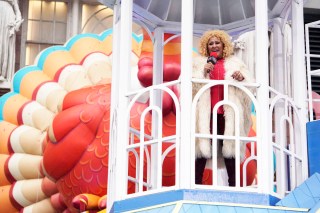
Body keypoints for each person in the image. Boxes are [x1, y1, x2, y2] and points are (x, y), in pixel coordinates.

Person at [193, 30, 253, 186]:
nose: (214, 46)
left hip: (228, 112)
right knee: (202, 148)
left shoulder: (235, 62)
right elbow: (189, 86)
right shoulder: (199, 62)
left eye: (217, 42)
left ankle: (234, 186)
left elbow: (250, 85)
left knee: (230, 148)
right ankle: (195, 185)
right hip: (206, 112)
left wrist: (241, 77)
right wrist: (203, 72)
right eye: (210, 43)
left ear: (224, 44)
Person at [0, 0, 23, 82]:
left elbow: (17, 9)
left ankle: (3, 74)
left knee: (4, 44)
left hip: (7, 16)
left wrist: (18, 21)